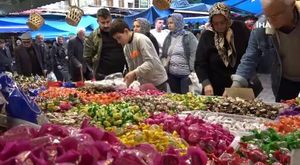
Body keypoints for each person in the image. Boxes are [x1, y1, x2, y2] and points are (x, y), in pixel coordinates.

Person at [230, 0, 300, 102]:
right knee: (286, 114)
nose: (271, 20)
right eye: (267, 15)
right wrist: (236, 84)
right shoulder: (261, 26)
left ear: (292, 5)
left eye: (276, 15)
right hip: (284, 82)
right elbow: (250, 57)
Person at [194, 2, 251, 96]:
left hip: (239, 85)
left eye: (222, 22)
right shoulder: (207, 35)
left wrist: (238, 82)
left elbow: (249, 55)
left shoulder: (240, 29)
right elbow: (200, 62)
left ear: (228, 18)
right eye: (215, 24)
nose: (219, 26)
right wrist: (206, 83)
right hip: (214, 87)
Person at [110, 19, 168, 91]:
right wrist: (129, 80)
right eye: (116, 39)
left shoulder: (141, 39)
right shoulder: (126, 48)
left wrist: (134, 73)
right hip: (144, 83)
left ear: (126, 31)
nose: (118, 42)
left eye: (119, 38)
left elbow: (150, 63)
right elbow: (131, 67)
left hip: (157, 81)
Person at [84, 8, 127, 80]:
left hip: (121, 73)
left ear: (111, 19)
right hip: (101, 75)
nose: (106, 25)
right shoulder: (92, 36)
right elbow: (87, 56)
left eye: (108, 22)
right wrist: (95, 70)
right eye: (103, 23)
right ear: (98, 21)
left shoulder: (119, 32)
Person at [161, 13, 198, 94]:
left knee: (186, 98)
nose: (169, 25)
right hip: (172, 74)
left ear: (178, 22)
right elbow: (164, 54)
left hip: (186, 75)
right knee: (175, 97)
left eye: (171, 23)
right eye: (168, 23)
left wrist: (192, 71)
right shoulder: (168, 37)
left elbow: (194, 54)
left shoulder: (189, 36)